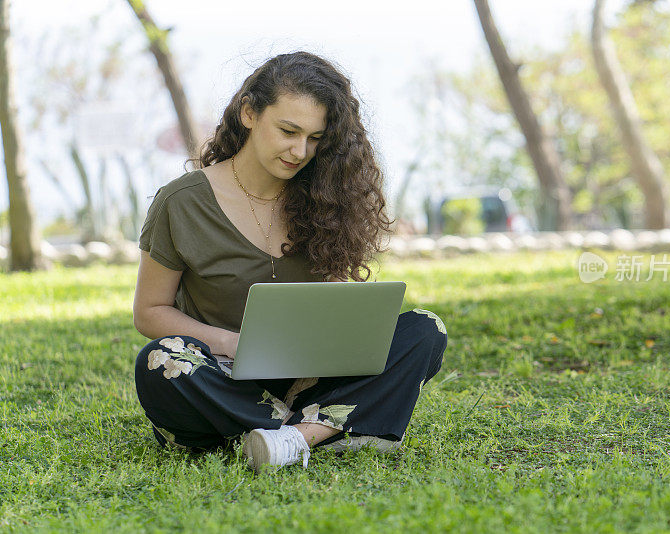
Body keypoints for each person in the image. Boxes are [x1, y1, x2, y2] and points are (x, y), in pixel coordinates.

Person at [132, 51, 448, 472]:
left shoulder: (327, 195)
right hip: (222, 375)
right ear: (248, 112)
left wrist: (343, 323)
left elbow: (329, 295)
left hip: (309, 375)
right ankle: (336, 426)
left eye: (315, 139)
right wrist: (231, 343)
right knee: (163, 361)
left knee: (425, 330)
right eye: (288, 131)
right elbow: (150, 312)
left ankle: (289, 439)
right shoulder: (181, 201)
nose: (300, 151)